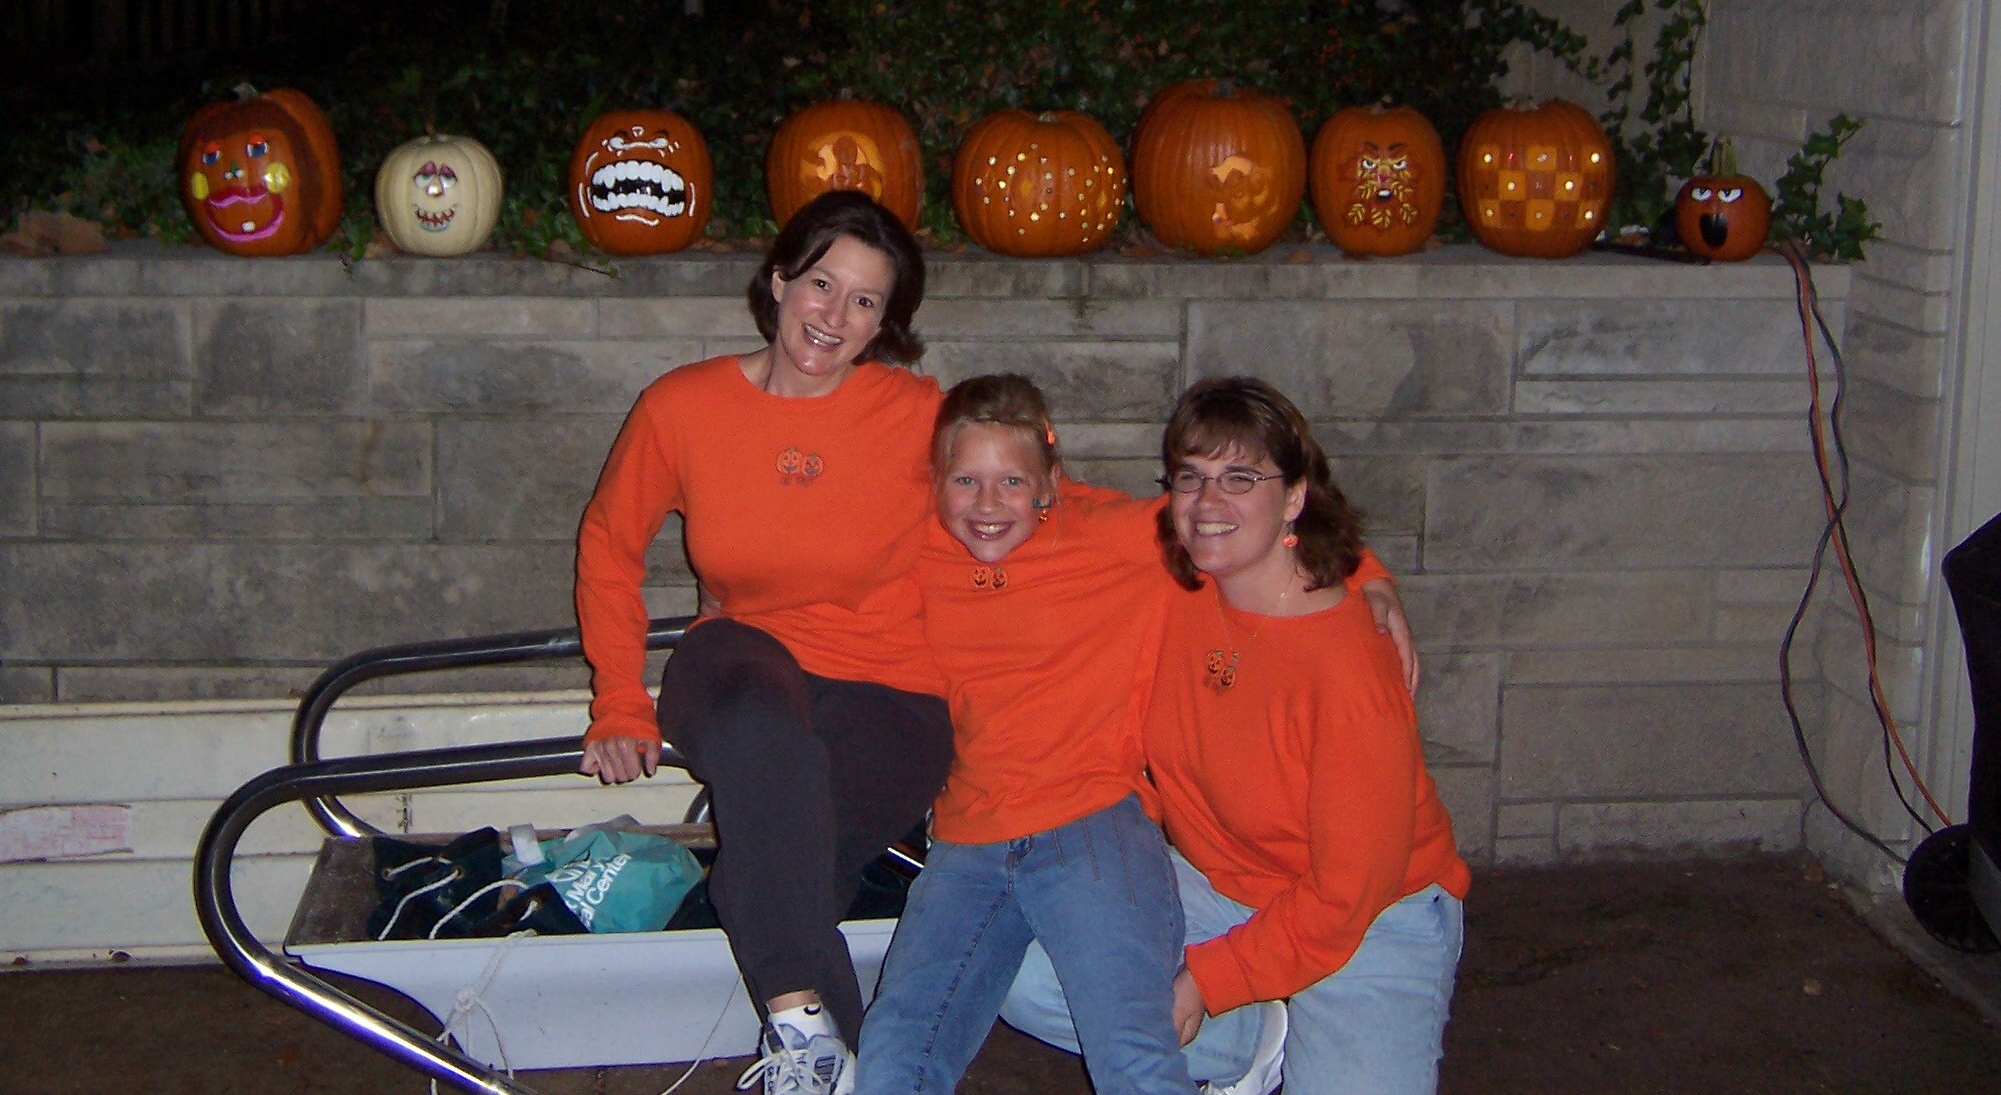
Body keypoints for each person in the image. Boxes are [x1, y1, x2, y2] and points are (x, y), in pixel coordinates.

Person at [858, 375, 1409, 1095]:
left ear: (1052, 483)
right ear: (936, 483)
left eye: (1013, 482)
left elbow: (1246, 528)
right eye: (966, 480)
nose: (988, 506)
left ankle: (1246, 1047)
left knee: (1130, 1044)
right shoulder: (916, 546)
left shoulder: (1116, 536)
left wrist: (1371, 576)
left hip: (1092, 820)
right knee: (898, 1046)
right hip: (970, 834)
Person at [574, 191, 953, 1095]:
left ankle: (820, 1050)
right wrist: (619, 696)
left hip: (891, 684)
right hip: (740, 654)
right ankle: (820, 1038)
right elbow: (608, 544)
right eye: (822, 283)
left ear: (884, 325)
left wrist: (1309, 544)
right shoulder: (683, 405)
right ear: (779, 281)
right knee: (759, 743)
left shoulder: (921, 413)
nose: (834, 315)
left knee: (769, 867)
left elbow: (1046, 499)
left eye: (865, 301)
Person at [1003, 376, 1469, 1095]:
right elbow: (1050, 504)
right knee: (1029, 974)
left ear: (1293, 496)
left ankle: (1274, 1014)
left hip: (1373, 919)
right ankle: (1256, 1039)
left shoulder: (1349, 672)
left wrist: (1206, 982)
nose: (1208, 502)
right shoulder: (1177, 578)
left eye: (1240, 478)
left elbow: (1346, 896)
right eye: (1190, 478)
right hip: (1216, 886)